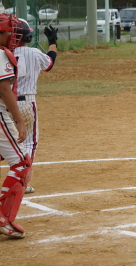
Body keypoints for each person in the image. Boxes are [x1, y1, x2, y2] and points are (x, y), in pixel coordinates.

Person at [13, 19, 58, 194]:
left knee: (7, 141)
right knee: (30, 142)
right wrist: (53, 42)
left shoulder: (4, 53)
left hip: (5, 103)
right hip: (26, 103)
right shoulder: (33, 53)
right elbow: (50, 64)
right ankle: (21, 182)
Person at [0, 13, 33, 239]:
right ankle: (4, 218)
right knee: (22, 163)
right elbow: (3, 89)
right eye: (8, 32)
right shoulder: (1, 54)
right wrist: (19, 120)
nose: (13, 36)